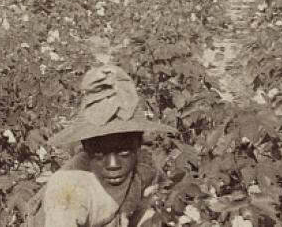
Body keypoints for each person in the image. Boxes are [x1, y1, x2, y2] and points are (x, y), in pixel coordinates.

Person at [32, 65, 175, 226]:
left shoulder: (145, 167)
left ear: (139, 143)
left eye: (124, 152)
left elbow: (150, 210)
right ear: (86, 147)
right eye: (100, 153)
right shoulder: (69, 188)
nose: (113, 165)